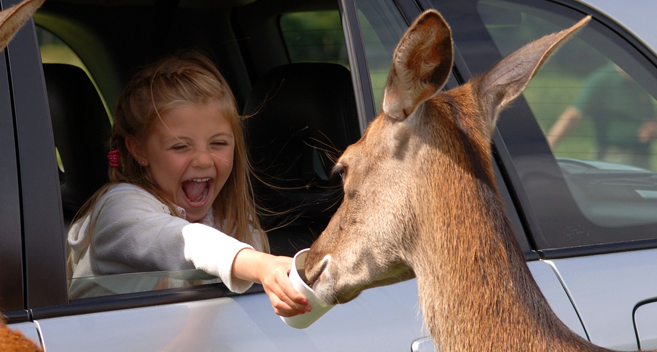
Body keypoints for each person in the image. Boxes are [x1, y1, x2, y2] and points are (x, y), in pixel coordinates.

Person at [67, 50, 310, 317]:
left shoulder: (233, 221)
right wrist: (262, 264)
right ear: (139, 150)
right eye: (181, 146)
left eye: (218, 143)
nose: (204, 160)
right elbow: (183, 241)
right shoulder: (121, 209)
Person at [547, 62, 657, 169]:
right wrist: (549, 145)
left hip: (642, 157)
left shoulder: (640, 81)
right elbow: (574, 115)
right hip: (612, 157)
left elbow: (651, 117)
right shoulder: (602, 79)